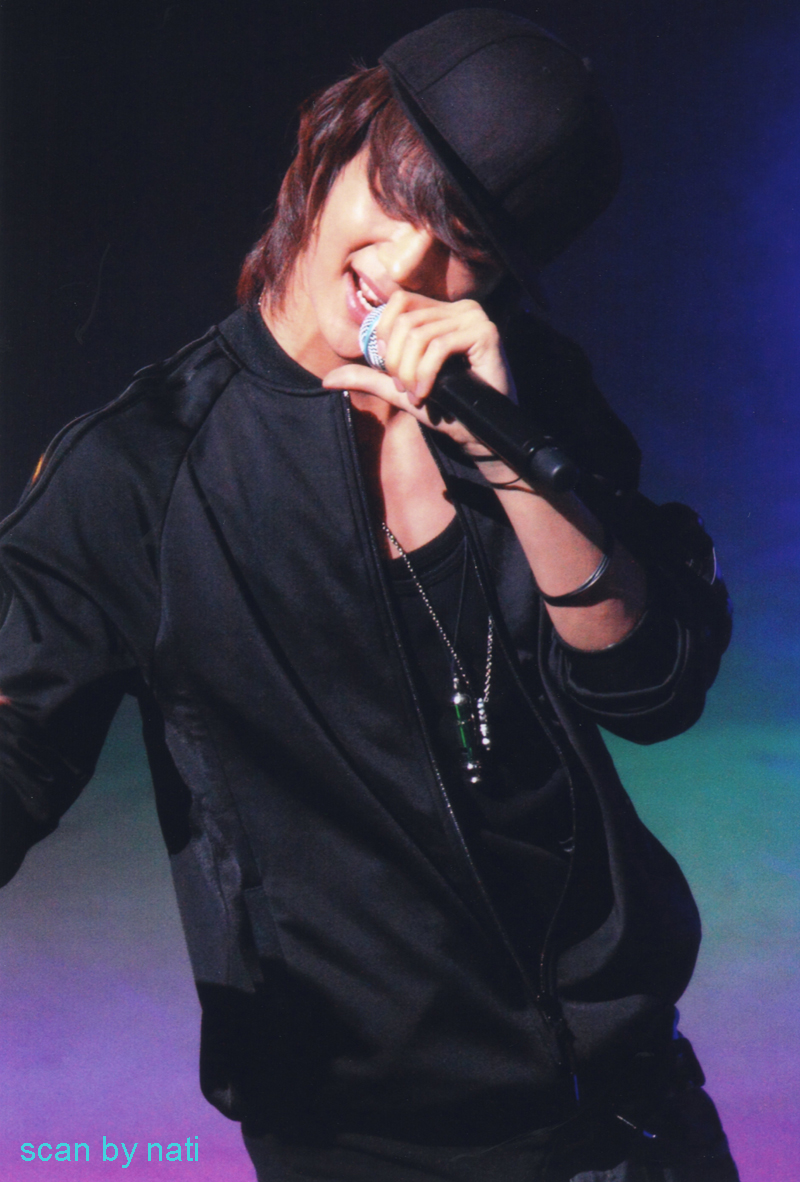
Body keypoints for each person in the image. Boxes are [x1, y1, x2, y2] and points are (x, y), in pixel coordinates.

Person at [0, 10, 737, 1182]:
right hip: (370, 1140)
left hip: (630, 1101)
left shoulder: (523, 393)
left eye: (466, 248)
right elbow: (16, 753)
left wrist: (508, 456)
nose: (407, 267)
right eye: (397, 200)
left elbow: (649, 687)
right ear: (327, 144)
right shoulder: (141, 468)